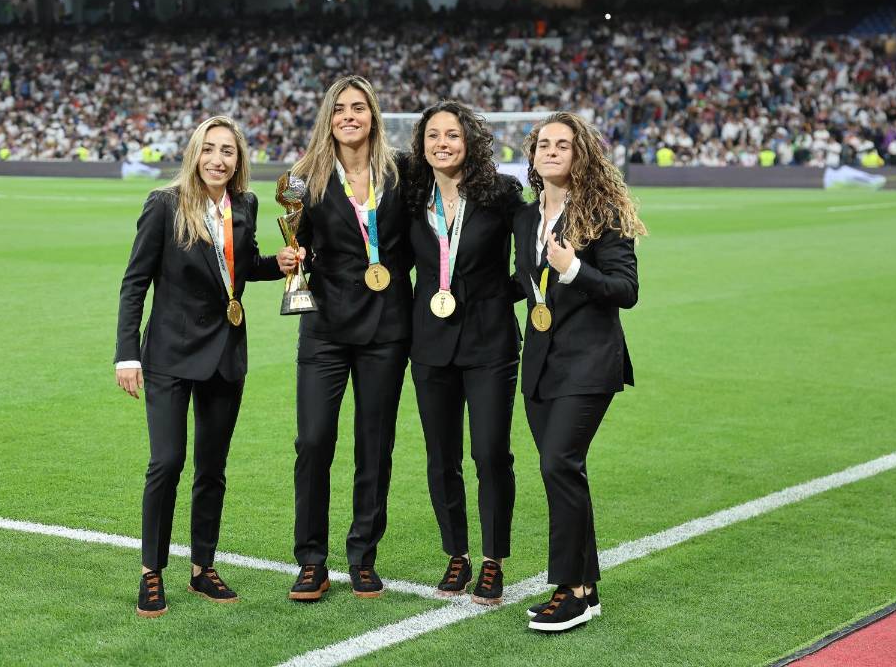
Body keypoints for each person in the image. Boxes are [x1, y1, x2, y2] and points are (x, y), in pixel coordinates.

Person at [115, 115, 290, 618]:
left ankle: (203, 567)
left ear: (239, 160)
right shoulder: (164, 205)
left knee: (212, 469)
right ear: (194, 153)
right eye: (209, 149)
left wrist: (275, 265)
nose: (218, 159)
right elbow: (135, 284)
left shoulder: (247, 205)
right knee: (167, 463)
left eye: (228, 152)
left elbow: (242, 265)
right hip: (169, 354)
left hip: (226, 353)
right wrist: (127, 352)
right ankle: (152, 570)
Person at [277, 75, 412, 601]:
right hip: (326, 329)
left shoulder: (401, 174)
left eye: (359, 108)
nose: (349, 117)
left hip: (387, 328)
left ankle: (362, 555)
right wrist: (292, 260)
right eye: (340, 109)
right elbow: (297, 242)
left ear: (373, 115)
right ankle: (311, 559)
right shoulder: (302, 179)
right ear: (327, 119)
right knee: (312, 442)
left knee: (374, 446)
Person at [512, 111, 646, 633]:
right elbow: (523, 284)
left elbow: (626, 290)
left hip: (590, 362)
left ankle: (566, 590)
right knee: (565, 470)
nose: (550, 151)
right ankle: (587, 588)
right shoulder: (526, 218)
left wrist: (574, 269)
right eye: (543, 144)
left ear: (579, 154)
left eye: (562, 145)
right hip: (540, 364)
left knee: (558, 465)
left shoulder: (603, 212)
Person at [405, 100, 525, 604]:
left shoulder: (502, 194)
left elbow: (535, 255)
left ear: (469, 141)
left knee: (490, 453)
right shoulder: (412, 196)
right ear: (422, 144)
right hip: (430, 345)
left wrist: (499, 297)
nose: (442, 144)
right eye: (433, 135)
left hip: (489, 342)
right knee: (442, 457)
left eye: (452, 135)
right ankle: (457, 554)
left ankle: (493, 558)